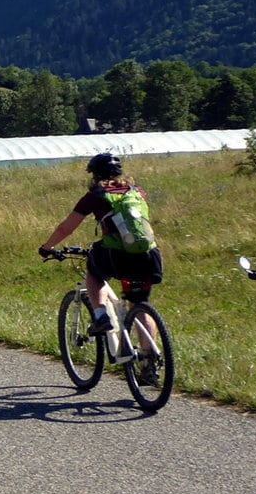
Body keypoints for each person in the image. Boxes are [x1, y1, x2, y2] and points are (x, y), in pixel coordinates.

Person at [38, 152, 164, 379]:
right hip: (148, 255)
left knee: (94, 272)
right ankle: (150, 364)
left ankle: (100, 315)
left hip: (117, 255)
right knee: (140, 304)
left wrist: (47, 247)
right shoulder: (138, 192)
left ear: (95, 175)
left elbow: (67, 228)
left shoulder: (95, 196)